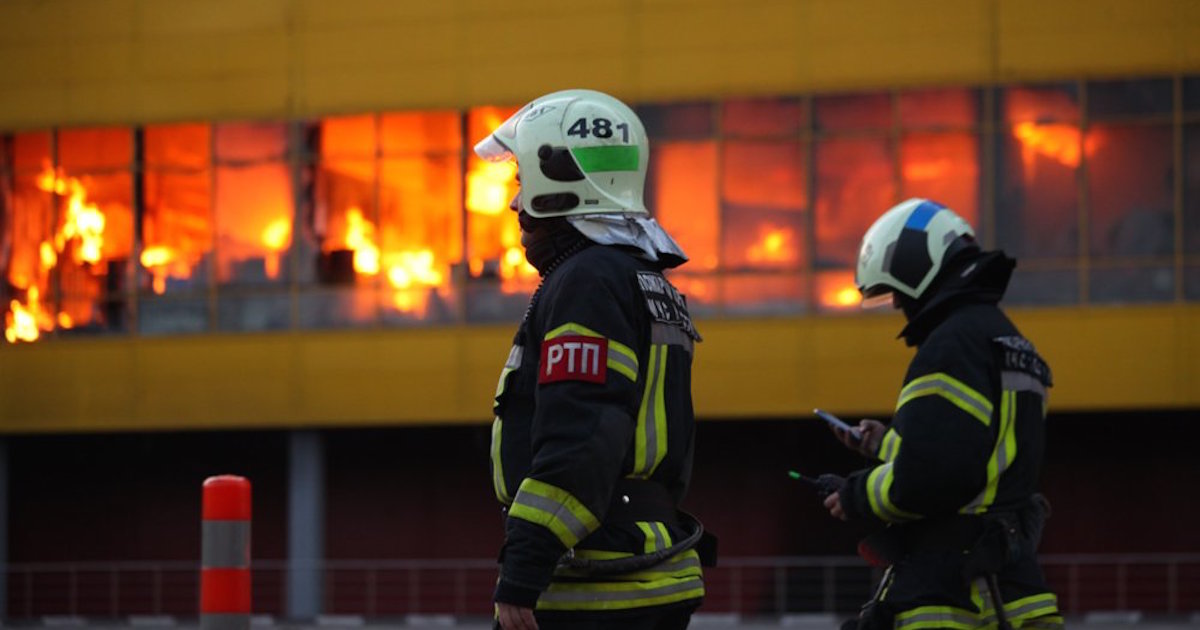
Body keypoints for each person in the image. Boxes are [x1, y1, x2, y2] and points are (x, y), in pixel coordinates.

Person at [475, 89, 710, 630]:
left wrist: (524, 569)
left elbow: (582, 433)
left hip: (598, 587)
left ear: (555, 182)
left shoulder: (588, 281)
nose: (515, 204)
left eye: (521, 182)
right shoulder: (640, 277)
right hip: (638, 570)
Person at [822, 198, 1063, 629]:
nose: (897, 305)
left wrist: (856, 495)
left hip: (950, 597)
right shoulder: (1010, 342)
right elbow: (977, 455)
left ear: (919, 270)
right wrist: (885, 443)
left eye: (896, 290)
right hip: (1017, 590)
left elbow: (930, 479)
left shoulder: (950, 346)